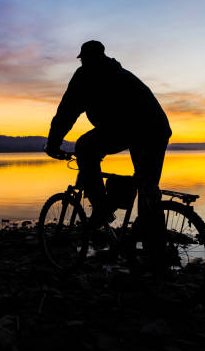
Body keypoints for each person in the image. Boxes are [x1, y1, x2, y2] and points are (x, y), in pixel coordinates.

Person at [45, 40, 172, 270]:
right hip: (156, 128)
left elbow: (66, 112)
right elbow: (69, 112)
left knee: (85, 147)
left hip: (134, 128)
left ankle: (102, 208)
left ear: (84, 58)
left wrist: (53, 145)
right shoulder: (119, 72)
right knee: (147, 189)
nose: (83, 62)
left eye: (83, 59)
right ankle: (156, 256)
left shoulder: (85, 76)